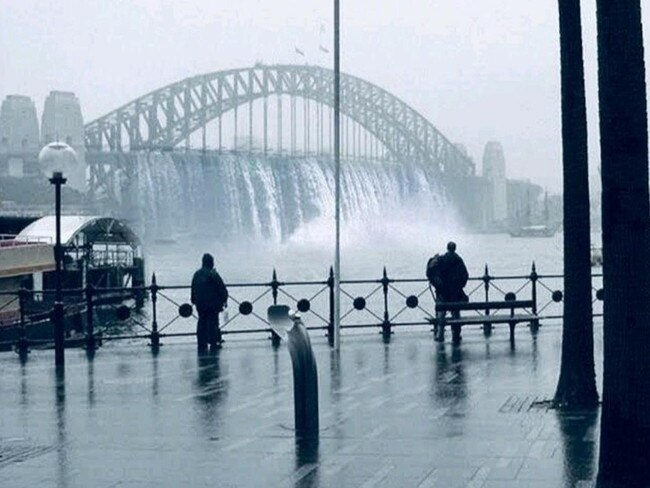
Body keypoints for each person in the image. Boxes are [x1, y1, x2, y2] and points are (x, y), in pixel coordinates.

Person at [426, 241, 469, 343]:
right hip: (455, 292)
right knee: (456, 313)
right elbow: (465, 275)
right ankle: (456, 334)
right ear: (455, 249)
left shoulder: (440, 259)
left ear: (447, 248)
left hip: (443, 292)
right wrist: (459, 286)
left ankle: (440, 334)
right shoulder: (459, 260)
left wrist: (437, 284)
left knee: (441, 313)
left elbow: (430, 271)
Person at [191, 253, 228, 351]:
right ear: (211, 263)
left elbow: (193, 288)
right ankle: (213, 342)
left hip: (200, 304)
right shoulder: (213, 274)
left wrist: (193, 300)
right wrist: (224, 300)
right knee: (213, 323)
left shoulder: (197, 274)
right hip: (212, 304)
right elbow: (222, 288)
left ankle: (201, 343)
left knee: (201, 322)